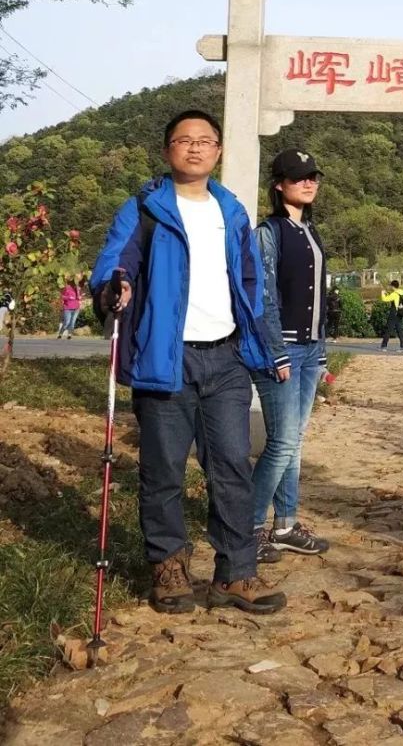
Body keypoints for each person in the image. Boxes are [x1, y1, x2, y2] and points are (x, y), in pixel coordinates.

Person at [90, 109, 287, 616]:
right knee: (163, 472)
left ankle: (236, 574)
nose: (195, 148)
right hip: (165, 359)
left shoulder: (232, 211)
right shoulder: (145, 209)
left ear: (218, 151)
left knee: (231, 468)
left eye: (205, 140)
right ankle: (169, 567)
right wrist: (116, 285)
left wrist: (258, 342)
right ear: (167, 151)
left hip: (225, 359)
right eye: (184, 140)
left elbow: (250, 283)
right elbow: (115, 261)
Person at [252, 148, 332, 564]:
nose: (309, 182)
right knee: (281, 443)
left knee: (294, 442)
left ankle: (284, 525)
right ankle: (247, 529)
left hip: (311, 348)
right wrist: (276, 353)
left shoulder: (310, 230)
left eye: (313, 176)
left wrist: (322, 351)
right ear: (279, 184)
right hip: (281, 350)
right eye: (299, 177)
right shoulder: (269, 232)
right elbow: (263, 296)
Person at [380, 279, 403, 351]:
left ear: (393, 286)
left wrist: (383, 293)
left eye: (391, 286)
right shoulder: (401, 293)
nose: (390, 287)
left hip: (394, 313)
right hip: (399, 313)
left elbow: (385, 299)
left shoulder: (394, 294)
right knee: (399, 330)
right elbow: (395, 300)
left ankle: (384, 346)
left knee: (388, 329)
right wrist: (388, 294)